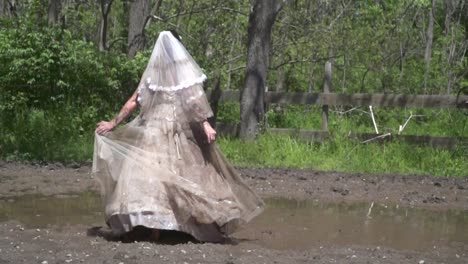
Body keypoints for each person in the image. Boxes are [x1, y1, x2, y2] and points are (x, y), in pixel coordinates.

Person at [93, 30, 264, 242]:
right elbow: (193, 102)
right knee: (174, 172)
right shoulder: (178, 73)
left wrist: (114, 122)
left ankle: (153, 225)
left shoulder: (152, 74)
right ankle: (164, 224)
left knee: (150, 174)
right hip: (169, 129)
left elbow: (133, 102)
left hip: (154, 129)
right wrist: (205, 126)